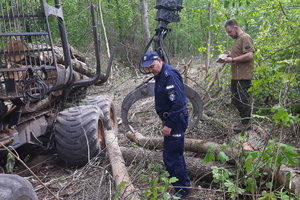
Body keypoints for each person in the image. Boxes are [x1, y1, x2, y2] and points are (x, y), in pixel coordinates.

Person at [141, 51, 191, 199]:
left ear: (159, 60)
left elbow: (178, 103)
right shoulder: (160, 75)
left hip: (176, 120)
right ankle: (180, 186)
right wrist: (163, 119)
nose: (150, 70)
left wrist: (169, 125)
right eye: (148, 68)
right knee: (171, 154)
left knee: (172, 156)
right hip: (170, 119)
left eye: (152, 66)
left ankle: (183, 189)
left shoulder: (170, 74)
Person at [223, 18, 255, 133]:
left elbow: (249, 55)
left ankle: (247, 125)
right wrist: (230, 56)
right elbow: (238, 57)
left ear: (236, 28)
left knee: (244, 101)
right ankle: (244, 122)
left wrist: (232, 59)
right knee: (236, 101)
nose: (229, 34)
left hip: (244, 76)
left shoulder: (245, 37)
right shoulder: (237, 40)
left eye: (229, 32)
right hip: (236, 76)